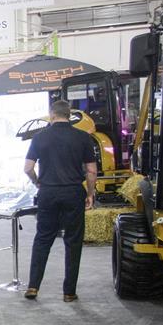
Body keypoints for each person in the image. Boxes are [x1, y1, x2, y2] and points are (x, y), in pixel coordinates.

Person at [24, 99, 97, 302]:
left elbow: (28, 168)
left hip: (48, 192)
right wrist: (90, 194)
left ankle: (33, 286)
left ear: (52, 114)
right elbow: (91, 171)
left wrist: (38, 183)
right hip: (73, 192)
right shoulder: (83, 137)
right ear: (69, 115)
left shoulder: (39, 138)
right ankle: (69, 292)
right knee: (73, 242)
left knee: (43, 239)